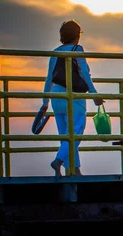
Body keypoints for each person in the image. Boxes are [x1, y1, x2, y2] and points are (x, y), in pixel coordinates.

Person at [42, 20, 104, 177]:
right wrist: (94, 94)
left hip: (56, 95)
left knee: (65, 135)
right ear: (78, 35)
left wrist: (45, 102)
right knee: (75, 133)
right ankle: (58, 160)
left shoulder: (55, 52)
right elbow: (84, 73)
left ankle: (74, 170)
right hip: (74, 96)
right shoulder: (78, 49)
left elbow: (49, 77)